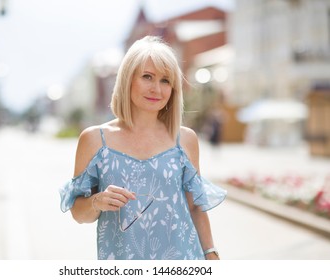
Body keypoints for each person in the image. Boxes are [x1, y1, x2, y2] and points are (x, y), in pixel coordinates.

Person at [59, 36, 227, 260]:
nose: (156, 89)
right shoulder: (95, 140)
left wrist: (211, 254)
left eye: (166, 80)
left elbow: (195, 208)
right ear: (128, 79)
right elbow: (78, 214)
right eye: (147, 77)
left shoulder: (185, 140)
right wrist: (97, 201)